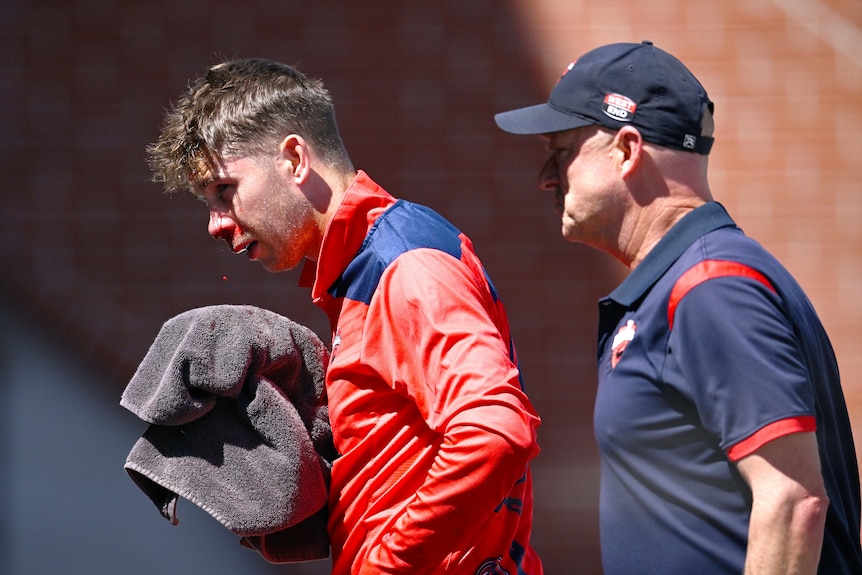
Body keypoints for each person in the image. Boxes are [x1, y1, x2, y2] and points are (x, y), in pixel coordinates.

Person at [146, 58, 543, 575]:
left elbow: (495, 430)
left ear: (293, 160)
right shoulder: (363, 267)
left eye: (225, 191)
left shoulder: (405, 264)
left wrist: (387, 565)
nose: (216, 224)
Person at [494, 41, 862, 574]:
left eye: (562, 150)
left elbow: (792, 500)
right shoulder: (688, 281)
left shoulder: (712, 286)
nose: (547, 177)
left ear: (626, 149)